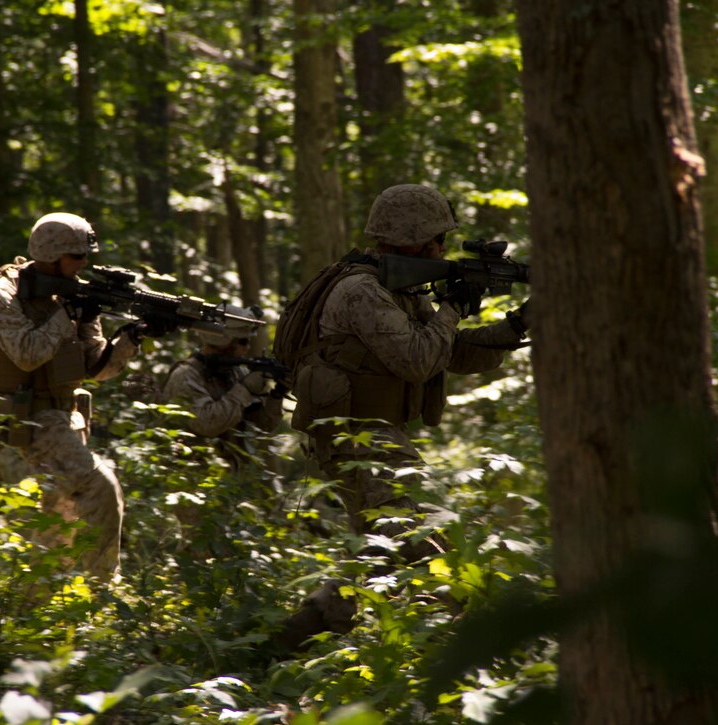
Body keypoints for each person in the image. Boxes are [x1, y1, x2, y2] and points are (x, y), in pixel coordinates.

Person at [273, 183, 531, 651]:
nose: (442, 249)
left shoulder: (402, 290)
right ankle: (471, 648)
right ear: (413, 239)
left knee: (377, 553)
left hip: (372, 437)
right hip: (355, 438)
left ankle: (292, 640)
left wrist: (520, 323)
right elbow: (418, 359)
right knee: (422, 539)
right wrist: (453, 306)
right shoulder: (361, 290)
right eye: (437, 240)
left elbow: (453, 352)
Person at [0, 212, 142, 580]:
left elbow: (97, 367)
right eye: (77, 256)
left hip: (64, 419)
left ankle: (43, 614)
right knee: (100, 486)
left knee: (57, 523)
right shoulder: (4, 294)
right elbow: (27, 354)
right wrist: (66, 312)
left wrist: (132, 338)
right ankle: (103, 591)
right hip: (21, 421)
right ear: (50, 255)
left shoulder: (71, 293)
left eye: (85, 256)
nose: (84, 264)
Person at [160, 312, 284, 471]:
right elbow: (206, 424)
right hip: (190, 475)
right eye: (242, 341)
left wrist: (278, 392)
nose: (247, 348)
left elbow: (264, 424)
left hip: (227, 479)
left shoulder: (237, 372)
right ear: (222, 341)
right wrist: (244, 389)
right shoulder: (185, 376)